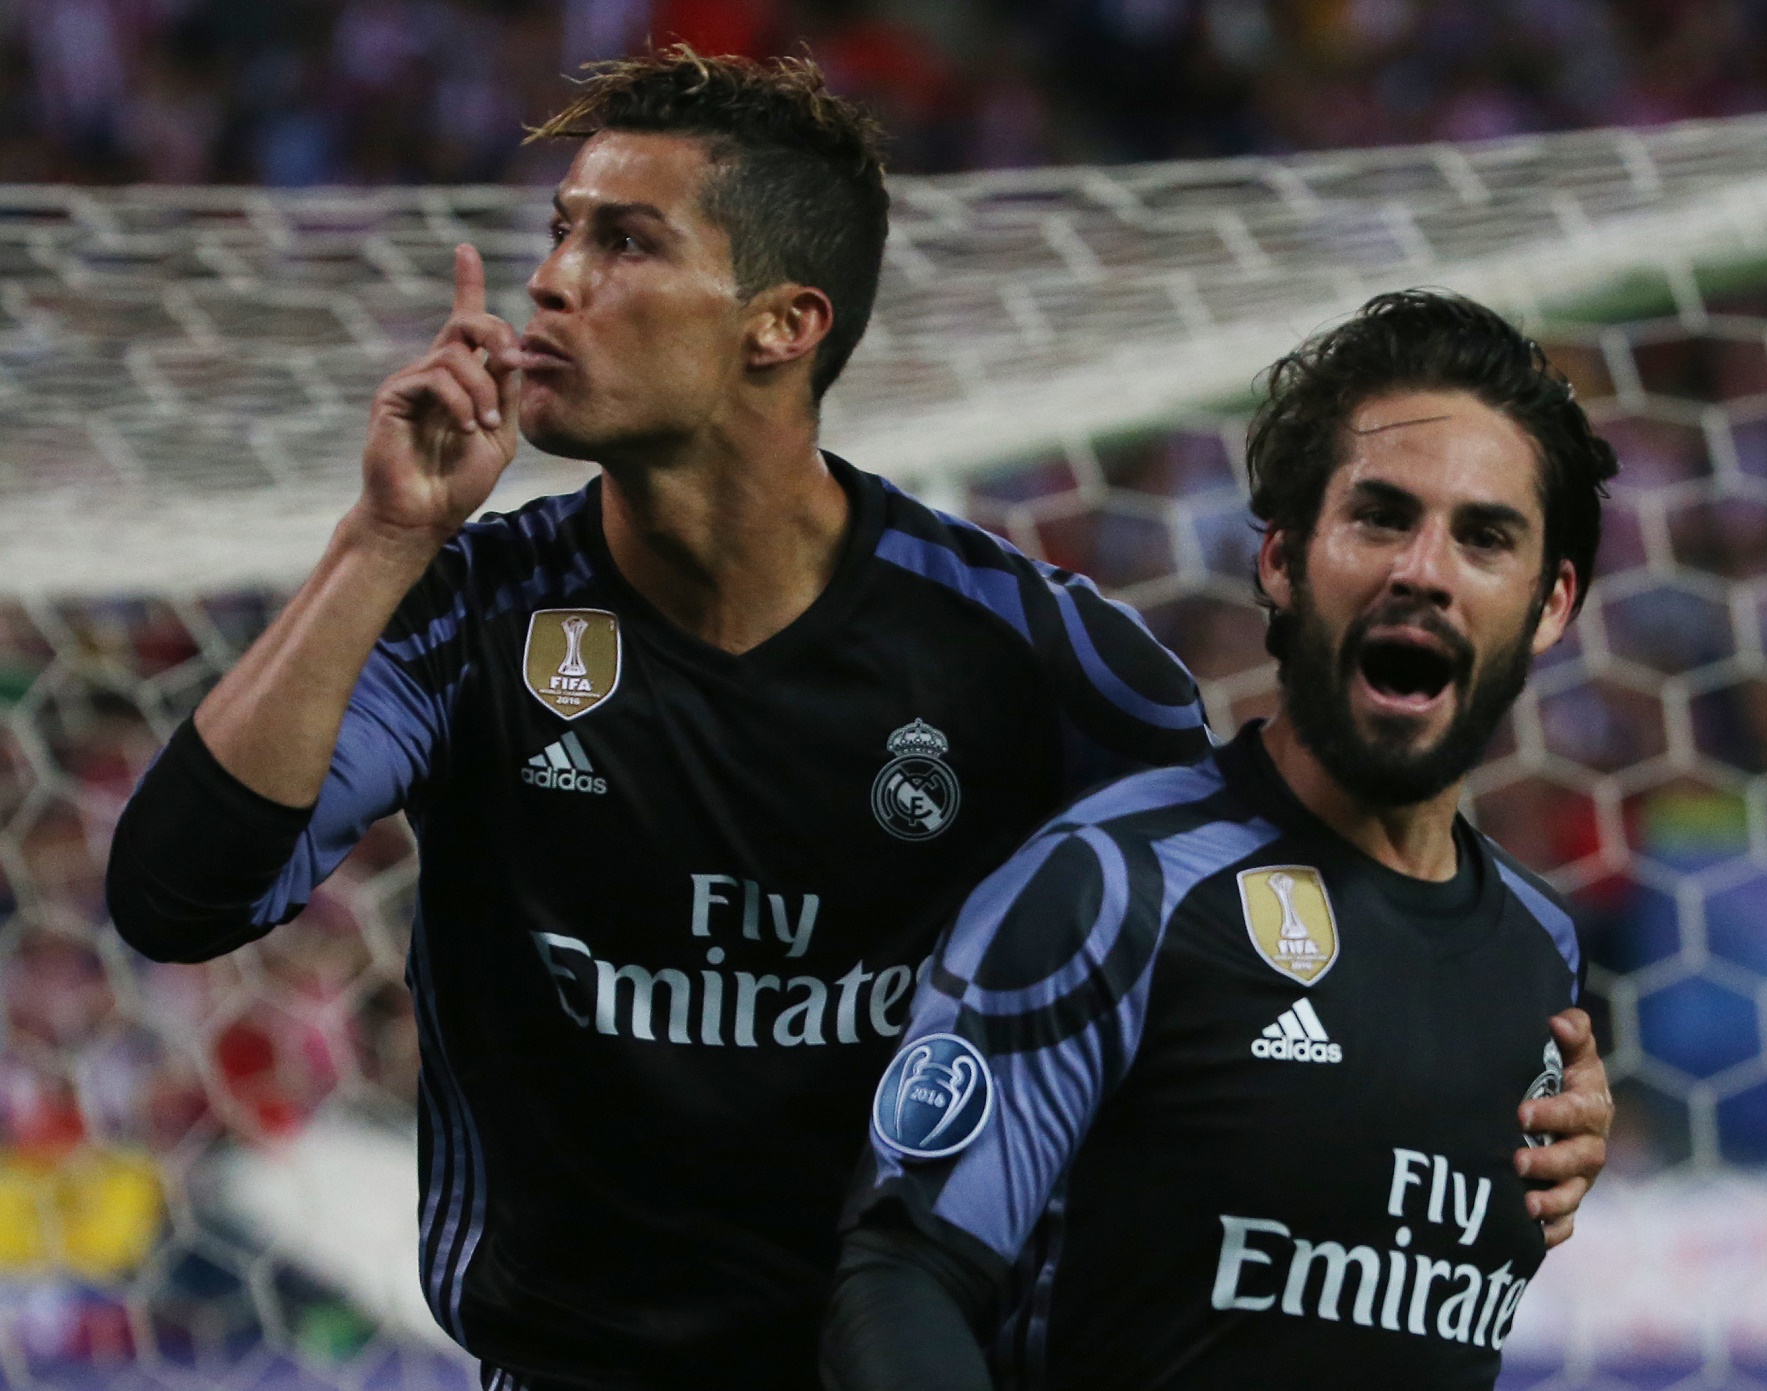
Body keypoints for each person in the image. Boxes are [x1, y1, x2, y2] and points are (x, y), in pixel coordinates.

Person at [101, 45, 1607, 1391]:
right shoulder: (469, 611)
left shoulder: (1036, 656)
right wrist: (381, 542)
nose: (553, 282)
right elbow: (179, 892)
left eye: (624, 242)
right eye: (561, 232)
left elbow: (1249, 906)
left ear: (782, 323)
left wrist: (1520, 1073)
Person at [823, 291, 1619, 1391]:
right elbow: (900, 1273)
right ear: (1284, 559)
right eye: (1380, 516)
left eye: (1484, 536)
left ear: (1549, 603)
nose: (1422, 568)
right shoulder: (1113, 882)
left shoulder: (1541, 951)